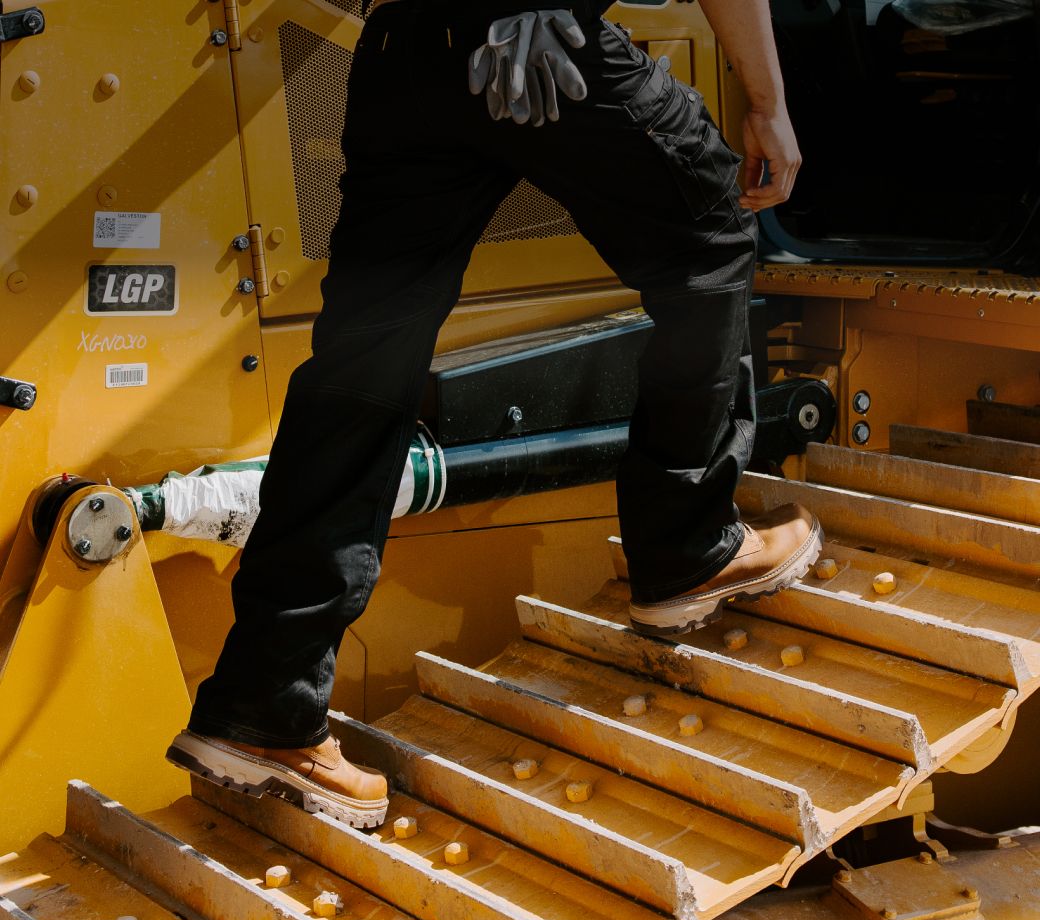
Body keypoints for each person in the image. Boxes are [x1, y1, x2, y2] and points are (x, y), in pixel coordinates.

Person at [166, 0, 821, 828]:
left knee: (363, 363)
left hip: (403, 50)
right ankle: (689, 548)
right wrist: (767, 104)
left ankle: (264, 703)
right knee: (712, 240)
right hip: (541, 45)